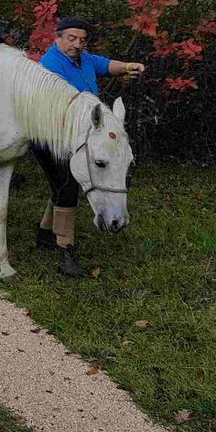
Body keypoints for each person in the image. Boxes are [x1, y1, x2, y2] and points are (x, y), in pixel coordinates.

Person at [33, 16, 146, 277]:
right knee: (69, 184)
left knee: (61, 186)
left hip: (81, 136)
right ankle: (65, 253)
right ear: (58, 38)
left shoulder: (83, 59)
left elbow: (106, 65)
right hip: (52, 138)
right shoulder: (50, 66)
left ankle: (44, 234)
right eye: (71, 38)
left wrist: (129, 66)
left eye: (82, 40)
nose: (77, 44)